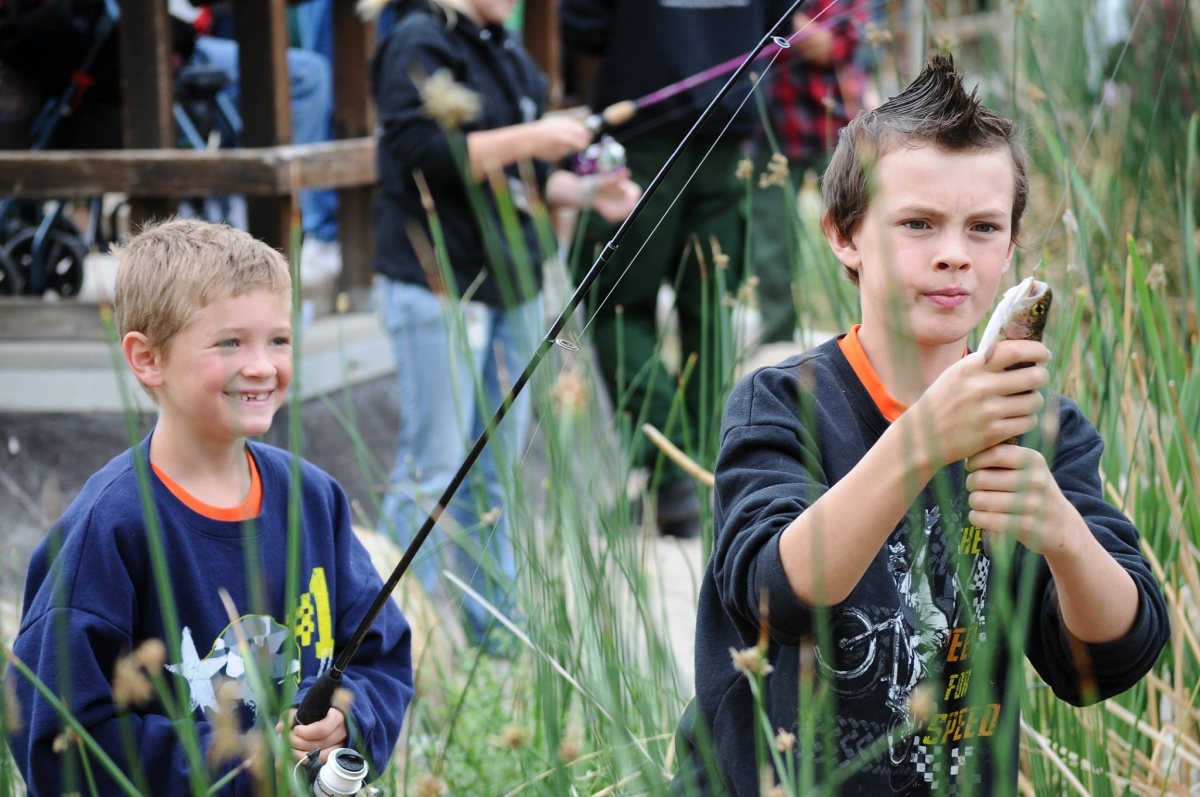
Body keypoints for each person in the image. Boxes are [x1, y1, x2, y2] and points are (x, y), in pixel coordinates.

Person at [671, 55, 1169, 795]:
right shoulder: (780, 402)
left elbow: (1110, 660)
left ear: (1010, 245)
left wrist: (1062, 533)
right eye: (918, 223)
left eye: (982, 227)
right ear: (845, 235)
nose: (952, 254)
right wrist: (922, 441)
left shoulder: (1039, 425)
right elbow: (779, 595)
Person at [7, 219, 414, 795]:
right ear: (148, 359)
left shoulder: (313, 499)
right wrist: (241, 765)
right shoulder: (110, 527)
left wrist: (348, 720)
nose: (261, 365)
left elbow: (381, 653)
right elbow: (61, 737)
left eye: (279, 339)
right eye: (230, 342)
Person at [370, 0, 639, 650]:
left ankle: (499, 636)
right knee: (432, 469)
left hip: (513, 286)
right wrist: (534, 137)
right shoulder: (416, 37)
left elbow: (534, 183)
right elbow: (420, 153)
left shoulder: (511, 54)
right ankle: (388, 641)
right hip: (438, 284)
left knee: (498, 472)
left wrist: (593, 192)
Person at [559, 0, 790, 538]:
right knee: (709, 303)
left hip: (645, 131)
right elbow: (782, 22)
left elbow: (584, 28)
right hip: (730, 122)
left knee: (612, 301)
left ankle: (673, 472)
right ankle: (702, 472)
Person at [750, 0, 865, 345]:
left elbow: (827, 48)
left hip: (837, 134)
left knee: (862, 235)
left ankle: (870, 339)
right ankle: (776, 344)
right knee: (772, 251)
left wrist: (781, 14)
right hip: (769, 131)